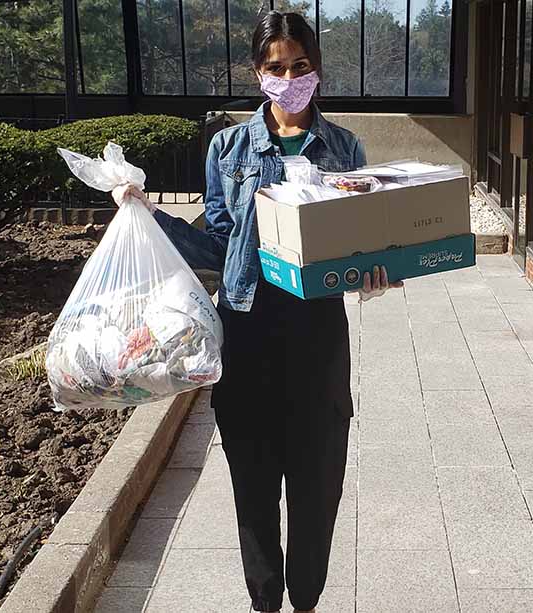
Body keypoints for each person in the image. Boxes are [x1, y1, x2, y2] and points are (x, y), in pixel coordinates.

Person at [113, 11, 400, 613]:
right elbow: (218, 244)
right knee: (254, 480)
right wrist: (147, 215)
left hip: (317, 332)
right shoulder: (229, 147)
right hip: (246, 331)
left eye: (300, 67)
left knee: (318, 478)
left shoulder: (345, 148)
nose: (289, 78)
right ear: (258, 72)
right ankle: (265, 600)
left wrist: (378, 270)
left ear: (316, 71)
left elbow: (364, 241)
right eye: (276, 67)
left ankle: (307, 600)